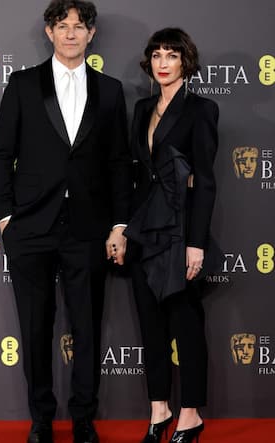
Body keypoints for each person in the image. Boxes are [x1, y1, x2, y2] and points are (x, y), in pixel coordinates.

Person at [0, 1, 131, 442]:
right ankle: (41, 420)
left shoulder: (110, 91)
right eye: (62, 26)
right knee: (34, 327)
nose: (71, 33)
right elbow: (1, 155)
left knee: (87, 326)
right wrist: (5, 217)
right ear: (49, 32)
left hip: (88, 227)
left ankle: (85, 419)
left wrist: (119, 224)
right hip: (30, 226)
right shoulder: (22, 84)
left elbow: (118, 163)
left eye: (79, 26)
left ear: (91, 35)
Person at [124, 28, 219, 443]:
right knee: (150, 325)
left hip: (180, 233)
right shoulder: (142, 107)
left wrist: (196, 243)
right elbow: (135, 176)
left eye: (172, 55)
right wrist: (124, 228)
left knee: (186, 324)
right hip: (145, 232)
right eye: (157, 55)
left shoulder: (201, 109)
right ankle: (159, 409)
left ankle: (190, 414)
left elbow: (207, 181)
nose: (163, 62)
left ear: (185, 61)